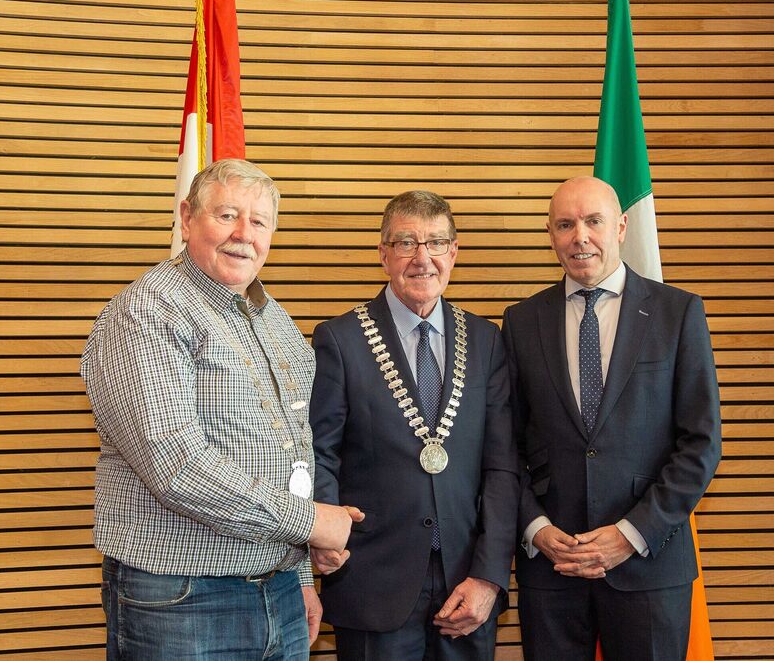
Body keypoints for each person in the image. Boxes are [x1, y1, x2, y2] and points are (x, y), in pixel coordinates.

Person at [81, 159, 360, 661]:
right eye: (227, 214)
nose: (243, 234)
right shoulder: (148, 310)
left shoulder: (273, 317)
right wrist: (309, 524)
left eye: (259, 221)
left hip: (277, 592)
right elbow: (175, 465)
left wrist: (298, 573)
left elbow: (294, 453)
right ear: (187, 218)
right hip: (182, 597)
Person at [502, 176, 722, 661]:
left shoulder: (678, 312)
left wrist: (630, 534)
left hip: (650, 567)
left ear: (621, 226)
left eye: (593, 221)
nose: (580, 236)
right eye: (565, 224)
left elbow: (700, 444)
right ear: (550, 233)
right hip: (552, 569)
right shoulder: (520, 322)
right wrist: (535, 527)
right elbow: (504, 447)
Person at [309, 190, 520, 660]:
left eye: (436, 243)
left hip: (466, 586)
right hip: (370, 580)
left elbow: (503, 468)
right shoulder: (339, 339)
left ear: (454, 252)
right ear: (383, 255)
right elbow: (319, 453)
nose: (422, 258)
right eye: (406, 242)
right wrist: (327, 538)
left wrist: (488, 576)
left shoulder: (486, 341)